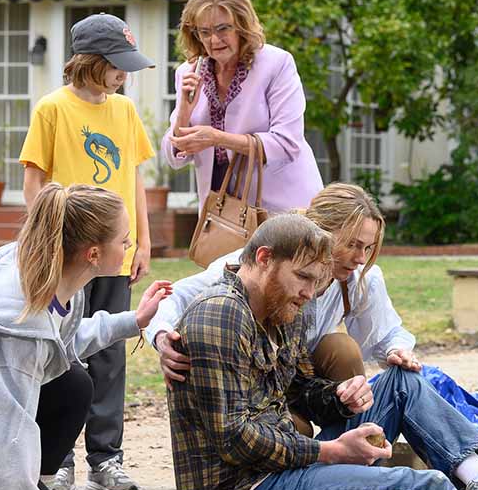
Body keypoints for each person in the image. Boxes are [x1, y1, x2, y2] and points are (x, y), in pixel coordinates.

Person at [168, 214, 478, 490]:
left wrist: (340, 398)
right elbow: (234, 440)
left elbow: (299, 390)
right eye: (304, 278)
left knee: (401, 383)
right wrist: (333, 452)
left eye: (317, 281)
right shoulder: (220, 314)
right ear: (263, 259)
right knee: (423, 489)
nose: (310, 293)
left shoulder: (279, 309)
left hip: (284, 468)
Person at [0, 183, 171, 490]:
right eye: (124, 240)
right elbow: (11, 429)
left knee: (73, 384)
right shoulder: (17, 324)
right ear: (93, 253)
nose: (129, 247)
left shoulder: (51, 272)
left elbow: (58, 343)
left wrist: (133, 321)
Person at [147, 183, 418, 436]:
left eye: (368, 248)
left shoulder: (359, 278)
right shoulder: (253, 266)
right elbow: (175, 296)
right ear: (321, 229)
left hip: (303, 377)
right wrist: (162, 337)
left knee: (342, 349)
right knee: (297, 431)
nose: (360, 258)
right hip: (260, 381)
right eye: (352, 245)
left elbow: (384, 333)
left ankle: (350, 443)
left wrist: (396, 350)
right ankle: (321, 460)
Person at [19, 13, 158, 490]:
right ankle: (56, 462)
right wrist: (45, 244)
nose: (125, 75)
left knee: (110, 356)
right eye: (118, 66)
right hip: (68, 257)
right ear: (90, 63)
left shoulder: (124, 111)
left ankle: (107, 460)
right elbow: (34, 183)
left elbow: (135, 178)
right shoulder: (52, 109)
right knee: (59, 353)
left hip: (115, 255)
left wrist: (141, 241)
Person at [162, 0, 323, 212]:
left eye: (223, 28)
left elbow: (287, 143)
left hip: (284, 209)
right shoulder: (188, 72)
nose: (214, 40)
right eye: (204, 32)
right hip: (221, 215)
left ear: (242, 25)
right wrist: (184, 114)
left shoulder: (276, 64)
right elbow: (174, 156)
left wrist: (217, 138)